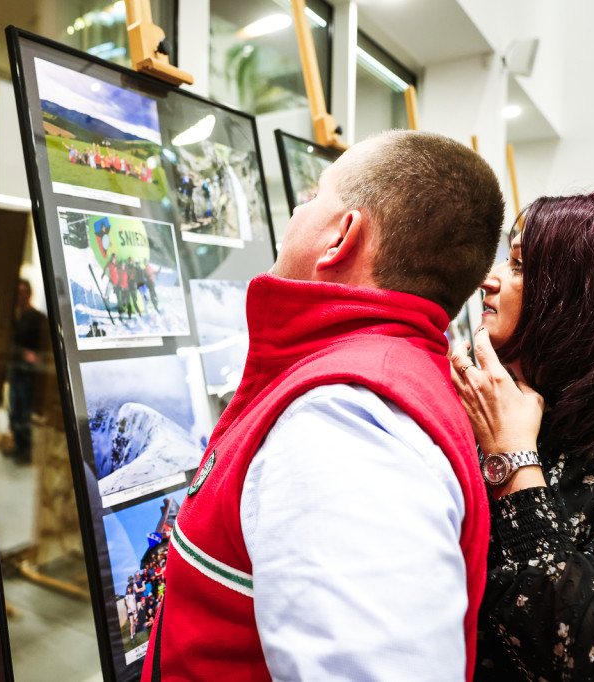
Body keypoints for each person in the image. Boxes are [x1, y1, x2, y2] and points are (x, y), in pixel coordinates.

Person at [143, 130, 505, 681]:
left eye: (314, 196)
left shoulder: (345, 420)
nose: (296, 207)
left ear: (341, 236)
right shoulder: (378, 375)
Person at [447, 188, 594, 680]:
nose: (487, 281)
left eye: (518, 266)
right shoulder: (492, 393)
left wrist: (513, 460)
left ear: (585, 301)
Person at [6, 279, 46, 463]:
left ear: (29, 293)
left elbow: (43, 347)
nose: (20, 296)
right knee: (14, 410)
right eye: (18, 292)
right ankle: (19, 446)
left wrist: (35, 356)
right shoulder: (15, 318)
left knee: (24, 412)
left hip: (29, 373)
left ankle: (27, 450)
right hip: (16, 370)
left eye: (23, 291)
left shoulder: (37, 317)